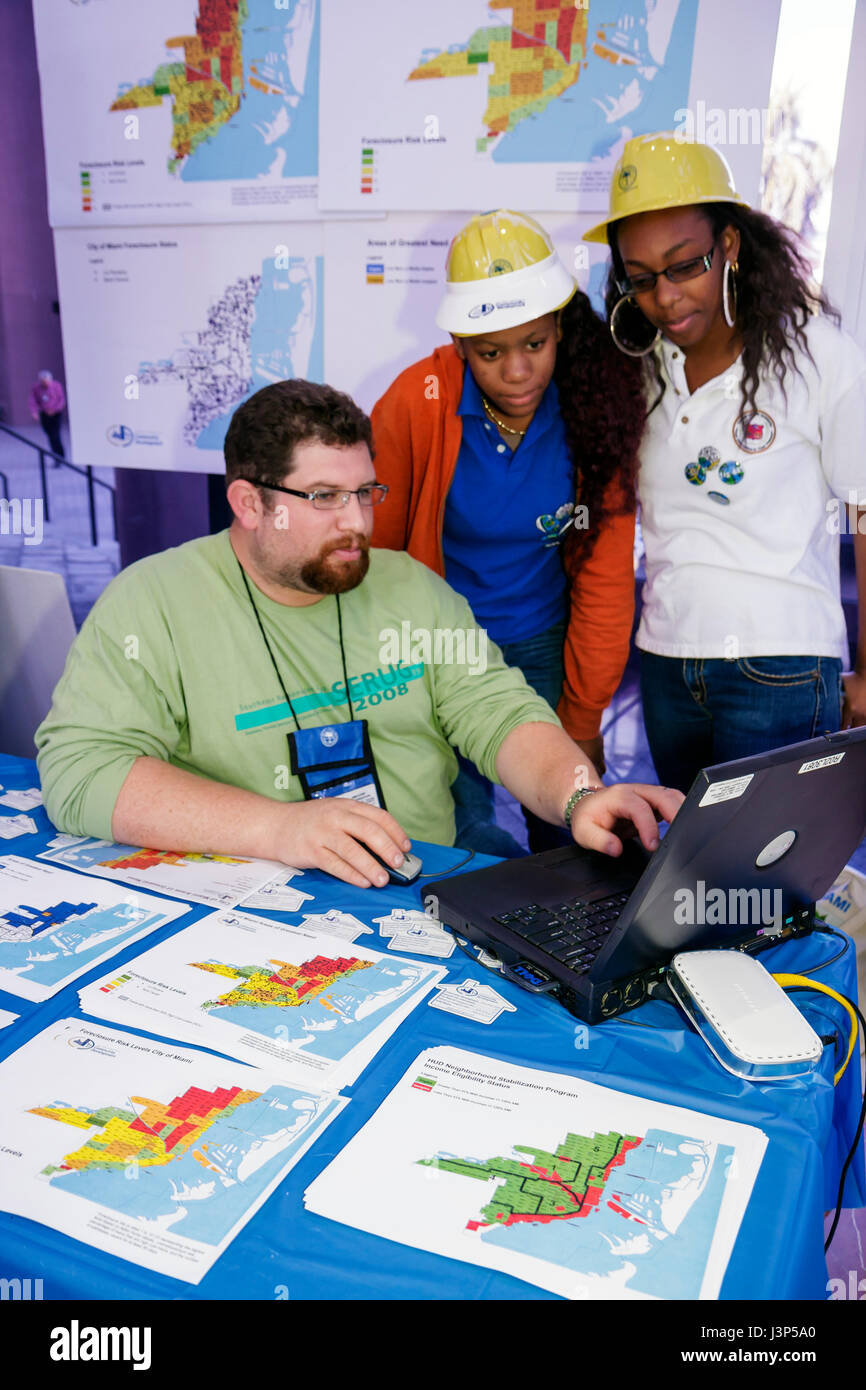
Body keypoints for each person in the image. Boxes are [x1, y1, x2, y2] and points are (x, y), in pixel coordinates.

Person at [35, 379, 681, 888]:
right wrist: (281, 829)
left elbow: (499, 714)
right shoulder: (151, 604)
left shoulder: (410, 588)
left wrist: (579, 798)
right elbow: (79, 771)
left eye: (365, 491)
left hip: (425, 876)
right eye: (324, 497)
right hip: (258, 889)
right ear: (248, 503)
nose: (358, 522)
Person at [583, 132, 866, 793]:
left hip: (785, 667)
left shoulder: (818, 354)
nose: (666, 297)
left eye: (686, 266)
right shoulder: (636, 369)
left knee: (763, 888)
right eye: (642, 277)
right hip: (666, 665)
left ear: (730, 245)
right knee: (696, 879)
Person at [371, 210, 646, 856]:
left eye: (534, 344)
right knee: (461, 832)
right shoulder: (416, 402)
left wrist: (581, 717)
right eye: (491, 352)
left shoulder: (593, 407)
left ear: (558, 326)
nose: (517, 371)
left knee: (572, 827)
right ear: (460, 345)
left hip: (545, 643)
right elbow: (375, 553)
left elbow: (606, 578)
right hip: (438, 651)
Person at [28, 369, 66, 462]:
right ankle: (55, 454)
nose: (45, 384)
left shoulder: (56, 386)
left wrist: (55, 409)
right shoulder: (37, 388)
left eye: (47, 381)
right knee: (49, 435)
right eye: (43, 382)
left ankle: (60, 456)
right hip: (45, 414)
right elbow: (32, 400)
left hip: (55, 414)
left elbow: (61, 400)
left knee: (55, 435)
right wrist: (34, 412)